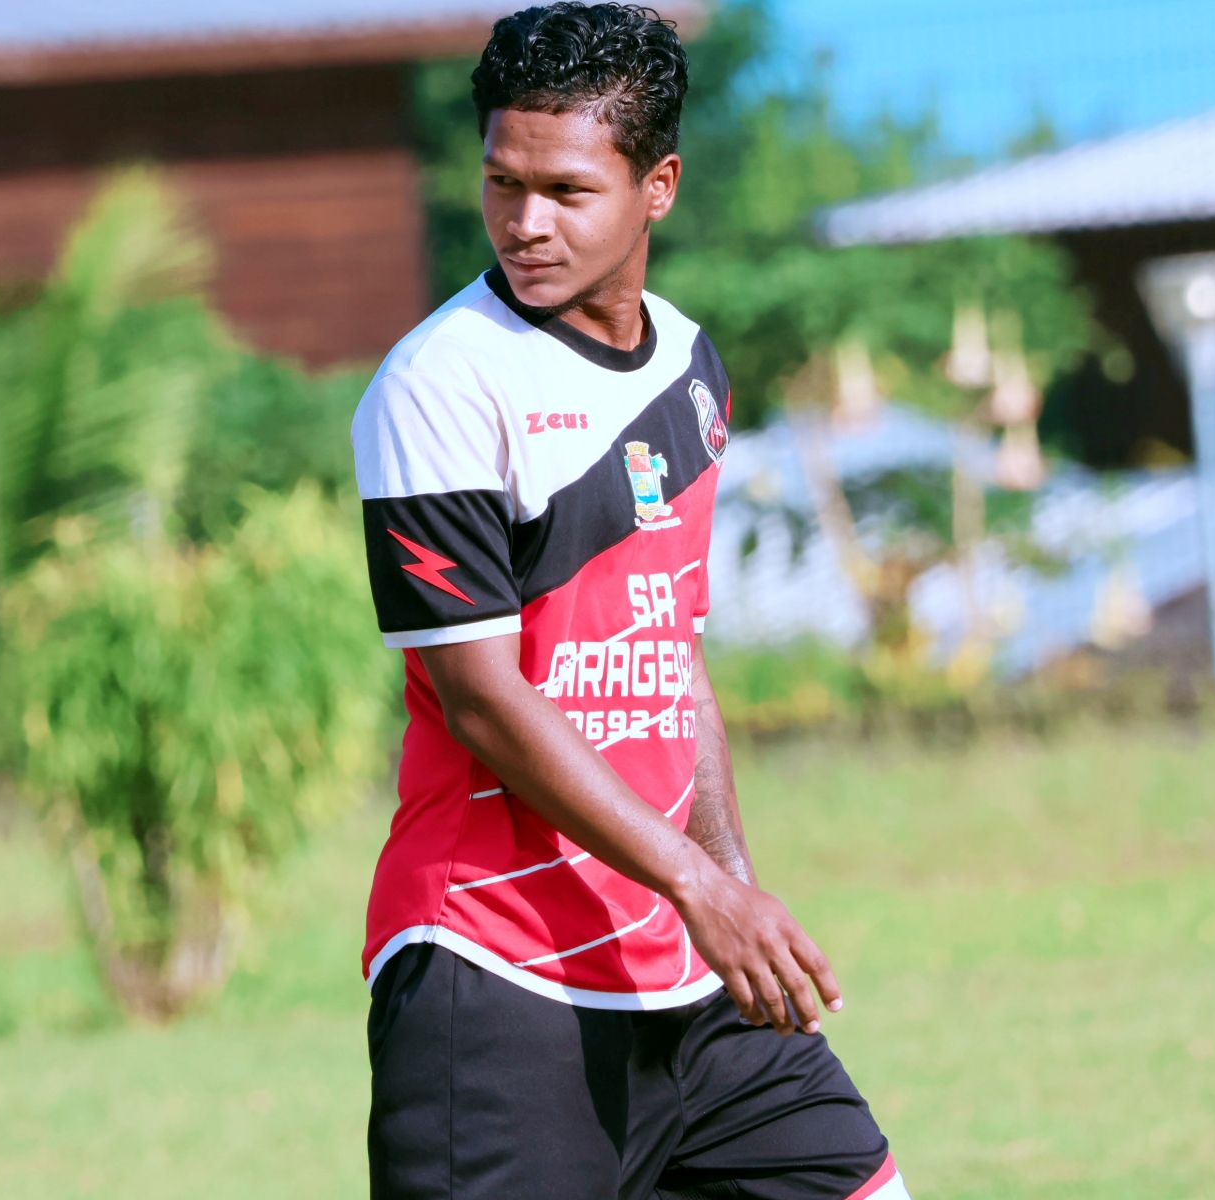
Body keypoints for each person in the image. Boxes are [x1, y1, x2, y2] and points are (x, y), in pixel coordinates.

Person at [350, 5, 906, 1198]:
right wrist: (697, 886)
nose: (524, 222)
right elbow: (480, 699)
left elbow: (670, 647)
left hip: (685, 979)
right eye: (502, 182)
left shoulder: (688, 368)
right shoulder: (439, 387)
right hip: (494, 974)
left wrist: (728, 884)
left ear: (657, 187)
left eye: (565, 190)